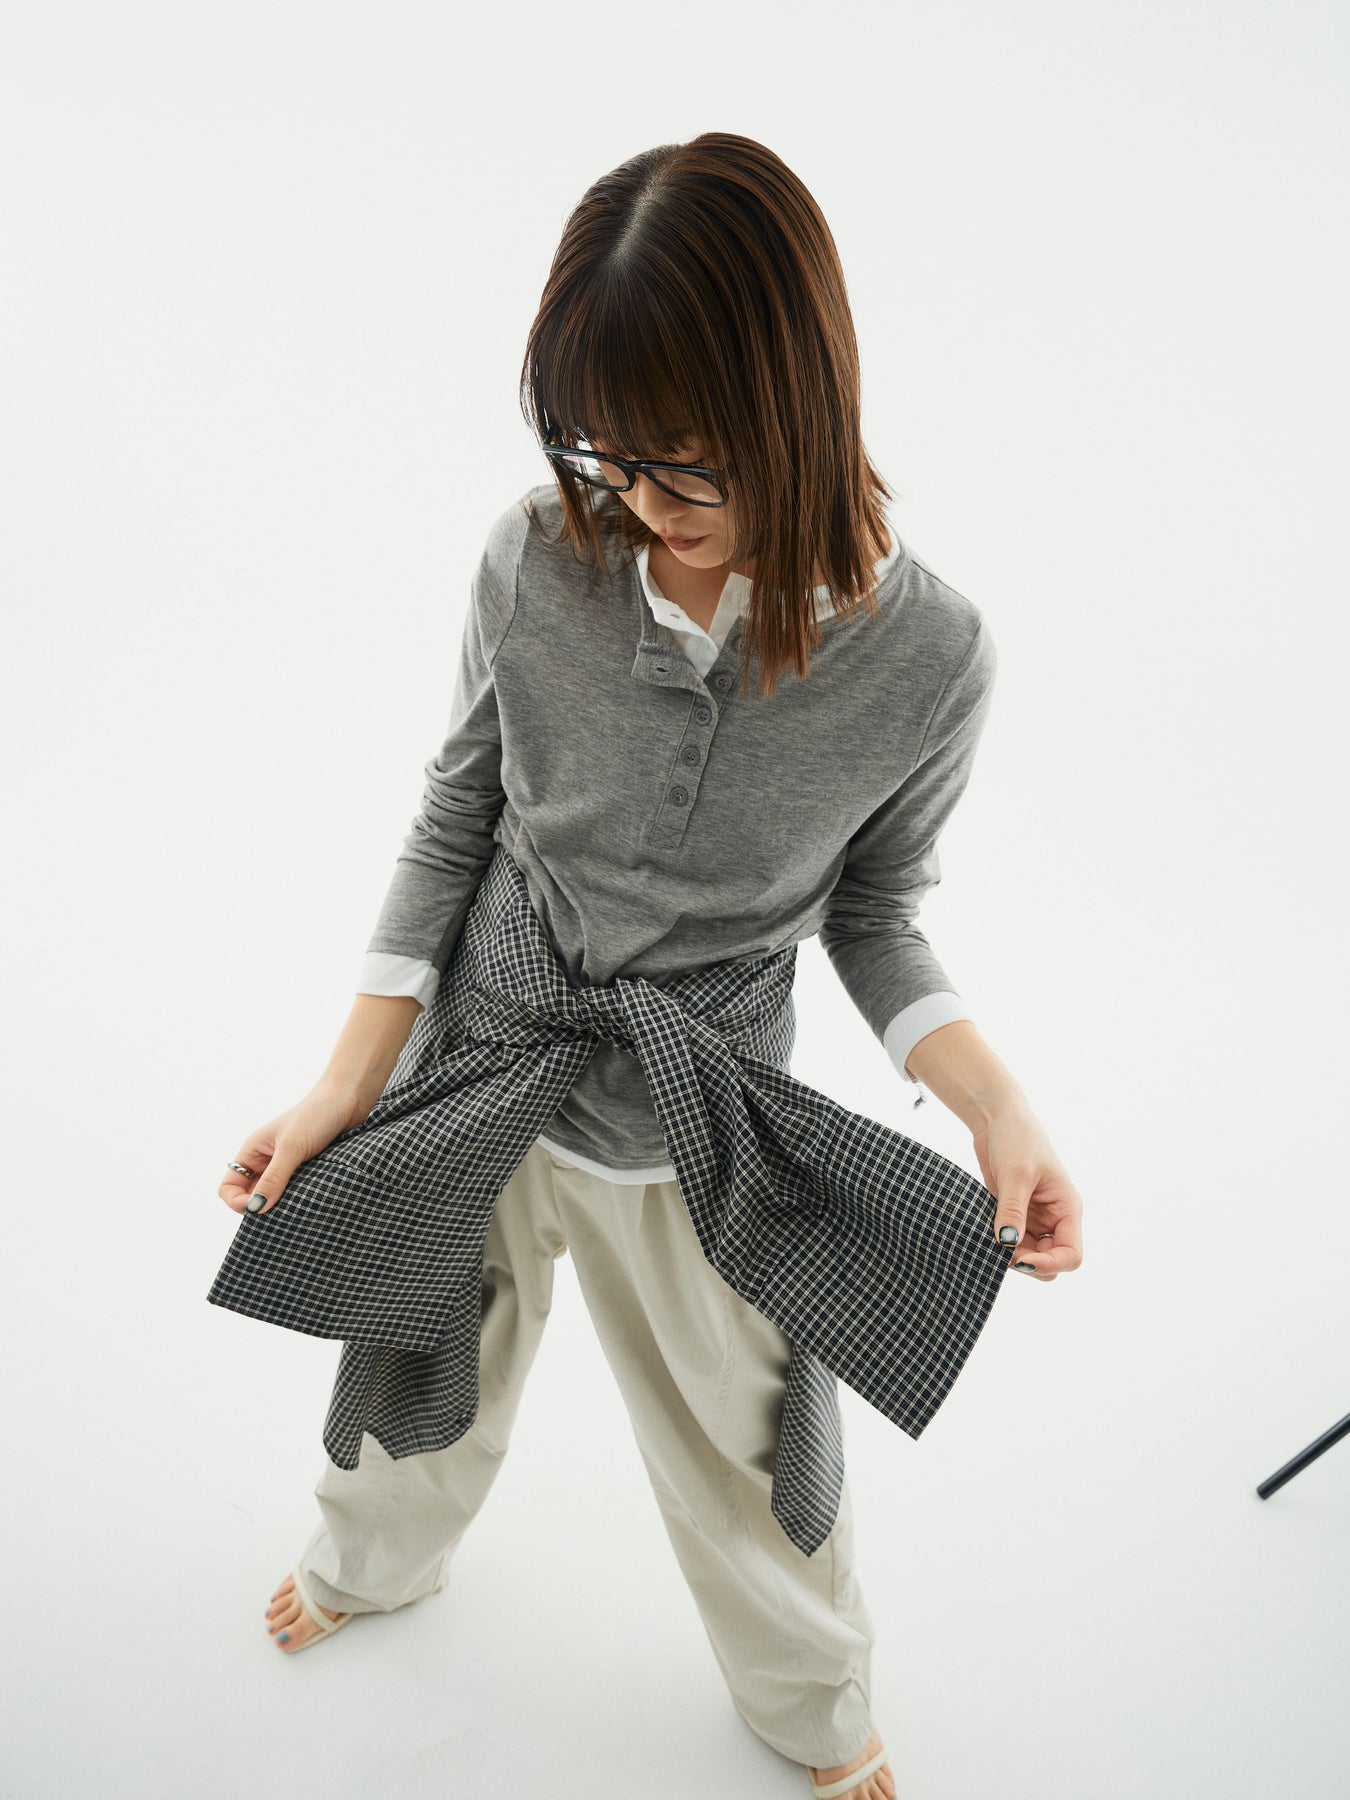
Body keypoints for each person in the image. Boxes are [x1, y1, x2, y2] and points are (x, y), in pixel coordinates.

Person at [217, 131, 1084, 1800]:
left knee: (752, 1446)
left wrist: (998, 1109)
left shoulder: (929, 657)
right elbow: (456, 816)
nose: (629, 505)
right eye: (592, 453)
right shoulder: (535, 554)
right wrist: (344, 1084)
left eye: (678, 467)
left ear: (794, 408)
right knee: (412, 1354)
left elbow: (875, 911)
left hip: (702, 1112)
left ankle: (813, 1707)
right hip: (485, 1051)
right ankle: (367, 1568)